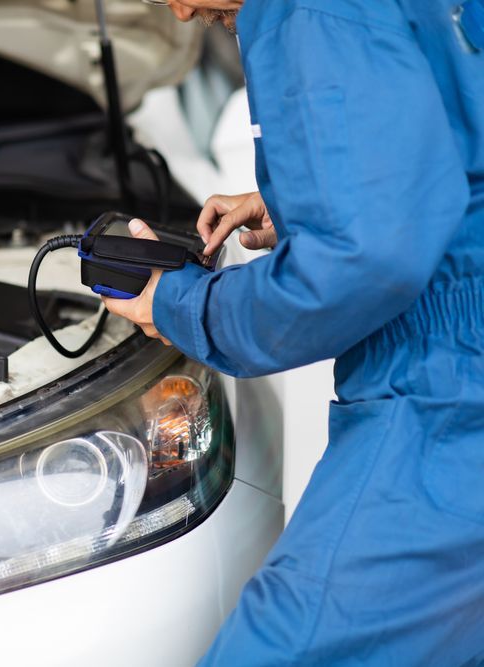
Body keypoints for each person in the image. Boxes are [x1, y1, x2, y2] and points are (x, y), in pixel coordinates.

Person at [102, 0, 484, 664]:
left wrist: (183, 304)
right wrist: (305, 204)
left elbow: (370, 258)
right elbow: (443, 128)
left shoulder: (306, 9)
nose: (181, 10)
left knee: (283, 646)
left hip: (448, 395)